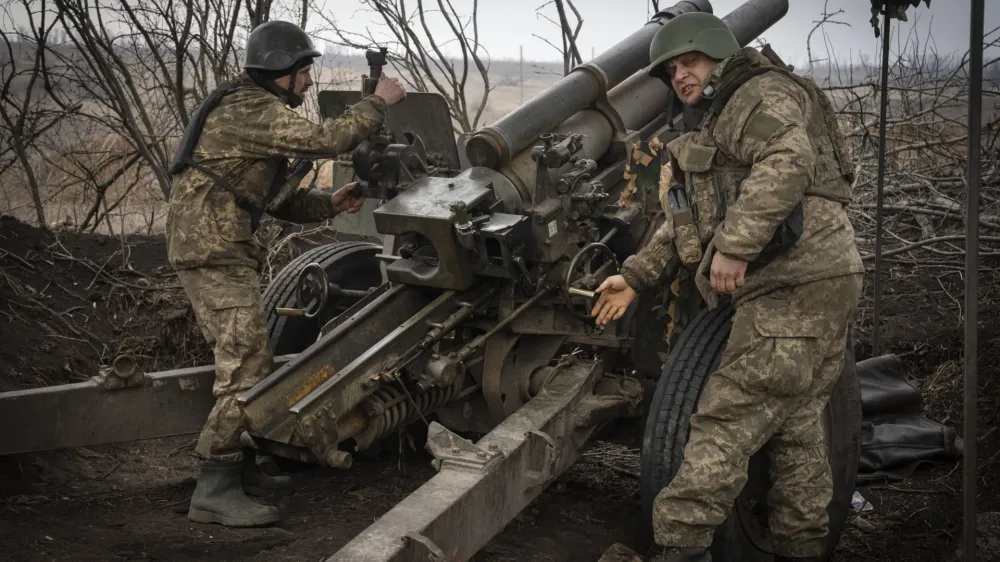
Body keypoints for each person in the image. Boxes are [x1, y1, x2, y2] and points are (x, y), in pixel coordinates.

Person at [591, 12, 863, 562]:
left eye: (690, 61)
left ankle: (679, 548)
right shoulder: (715, 124)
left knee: (724, 421)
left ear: (720, 56)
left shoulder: (755, 94)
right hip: (818, 280)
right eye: (672, 70)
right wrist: (636, 277)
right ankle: (802, 549)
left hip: (793, 283)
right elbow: (687, 220)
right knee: (796, 429)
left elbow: (789, 158)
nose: (681, 76)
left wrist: (736, 246)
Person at [165, 20, 405, 527]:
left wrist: (329, 204)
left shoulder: (253, 111)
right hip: (212, 251)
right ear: (281, 70)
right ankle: (214, 485)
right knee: (247, 366)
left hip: (221, 247)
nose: (310, 81)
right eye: (304, 71)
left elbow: (270, 200)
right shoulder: (249, 108)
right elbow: (326, 139)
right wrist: (377, 102)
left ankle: (241, 467)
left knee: (249, 359)